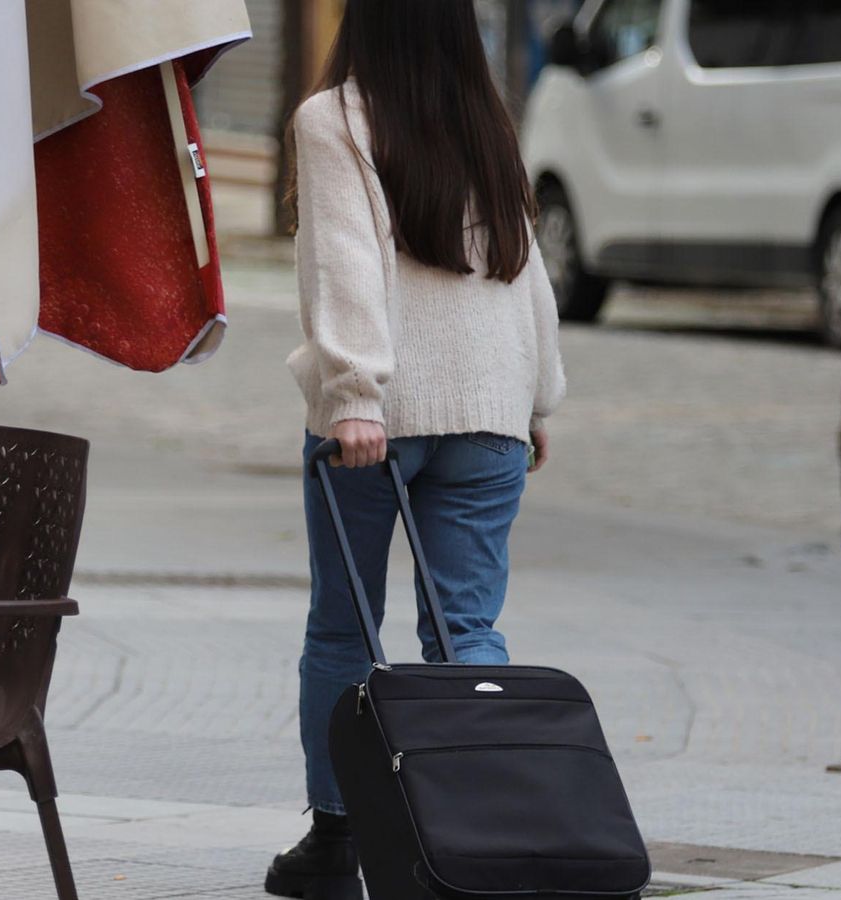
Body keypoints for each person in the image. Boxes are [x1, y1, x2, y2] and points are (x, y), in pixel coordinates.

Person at [267, 2, 566, 898]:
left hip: (378, 424)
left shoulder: (335, 119)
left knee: (343, 631)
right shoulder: (488, 121)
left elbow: (346, 260)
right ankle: (474, 837)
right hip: (488, 414)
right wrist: (535, 396)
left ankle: (339, 839)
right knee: (466, 634)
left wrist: (355, 393)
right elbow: (528, 268)